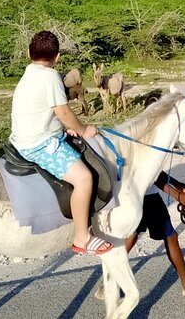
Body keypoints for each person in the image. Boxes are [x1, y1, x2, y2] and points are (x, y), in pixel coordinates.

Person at [10, 30, 112, 256]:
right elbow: (63, 112)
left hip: (27, 136)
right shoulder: (50, 76)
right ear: (56, 57)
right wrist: (83, 129)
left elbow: (44, 112)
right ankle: (82, 237)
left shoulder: (29, 74)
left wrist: (63, 130)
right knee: (84, 178)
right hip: (38, 144)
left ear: (29, 53)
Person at [95, 172, 185, 298]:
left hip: (135, 195)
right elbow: (150, 174)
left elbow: (156, 171)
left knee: (133, 236)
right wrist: (176, 194)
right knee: (170, 237)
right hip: (145, 196)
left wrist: (176, 184)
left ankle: (108, 285)